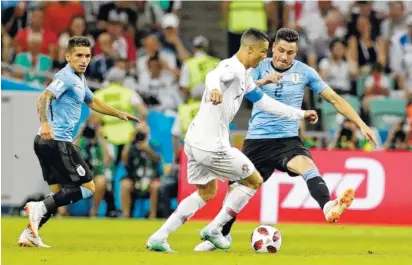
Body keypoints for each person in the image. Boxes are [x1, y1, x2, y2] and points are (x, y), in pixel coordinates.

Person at [194, 28, 378, 252]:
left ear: (296, 52)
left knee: (307, 166)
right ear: (273, 48)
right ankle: (222, 235)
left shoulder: (306, 72)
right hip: (257, 141)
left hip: (287, 140)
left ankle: (328, 205)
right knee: (236, 191)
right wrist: (262, 81)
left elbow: (334, 99)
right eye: (281, 50)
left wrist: (361, 124)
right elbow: (235, 89)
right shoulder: (258, 65)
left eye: (290, 52)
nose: (284, 56)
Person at [146, 28, 319, 252]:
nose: (264, 57)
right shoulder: (231, 67)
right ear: (249, 49)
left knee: (206, 192)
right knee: (254, 180)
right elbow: (213, 75)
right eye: (262, 51)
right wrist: (215, 89)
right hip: (211, 145)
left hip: (194, 140)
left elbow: (266, 103)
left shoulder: (245, 75)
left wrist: (301, 114)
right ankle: (215, 229)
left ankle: (160, 236)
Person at [18, 36, 140, 248]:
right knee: (88, 187)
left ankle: (29, 234)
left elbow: (92, 101)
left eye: (87, 56)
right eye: (79, 56)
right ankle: (38, 208)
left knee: (57, 194)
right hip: (57, 141)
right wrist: (45, 123)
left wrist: (118, 113)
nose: (84, 60)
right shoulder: (65, 77)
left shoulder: (79, 78)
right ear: (68, 57)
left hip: (44, 142)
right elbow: (44, 97)